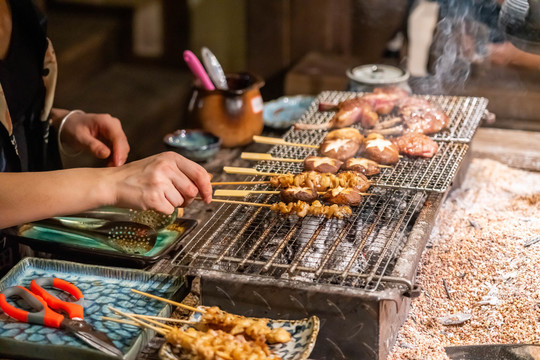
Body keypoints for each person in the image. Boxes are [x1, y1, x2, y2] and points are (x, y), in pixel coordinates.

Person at [0, 0, 212, 229]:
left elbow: (11, 110)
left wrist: (59, 121)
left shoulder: (20, 10)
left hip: (27, 240)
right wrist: (112, 183)